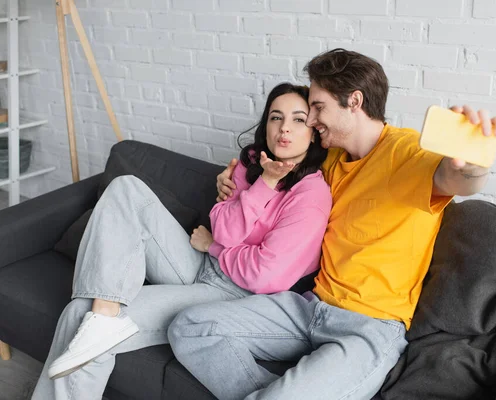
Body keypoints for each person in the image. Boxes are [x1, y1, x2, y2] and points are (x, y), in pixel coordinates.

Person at [168, 48, 496, 400]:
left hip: (368, 326)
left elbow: (460, 180)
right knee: (190, 327)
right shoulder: (329, 158)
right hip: (308, 307)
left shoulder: (407, 152)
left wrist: (473, 163)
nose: (310, 120)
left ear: (354, 101)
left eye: (317, 107)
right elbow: (267, 161)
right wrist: (231, 178)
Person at [31, 83, 332, 400]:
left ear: (313, 133)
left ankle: (101, 319)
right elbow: (226, 229)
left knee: (79, 314)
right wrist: (265, 183)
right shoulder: (253, 164)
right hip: (201, 265)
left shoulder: (310, 196)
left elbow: (265, 277)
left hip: (235, 297)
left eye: (299, 120)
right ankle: (104, 311)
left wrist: (214, 246)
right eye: (275, 117)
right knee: (126, 189)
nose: (284, 128)